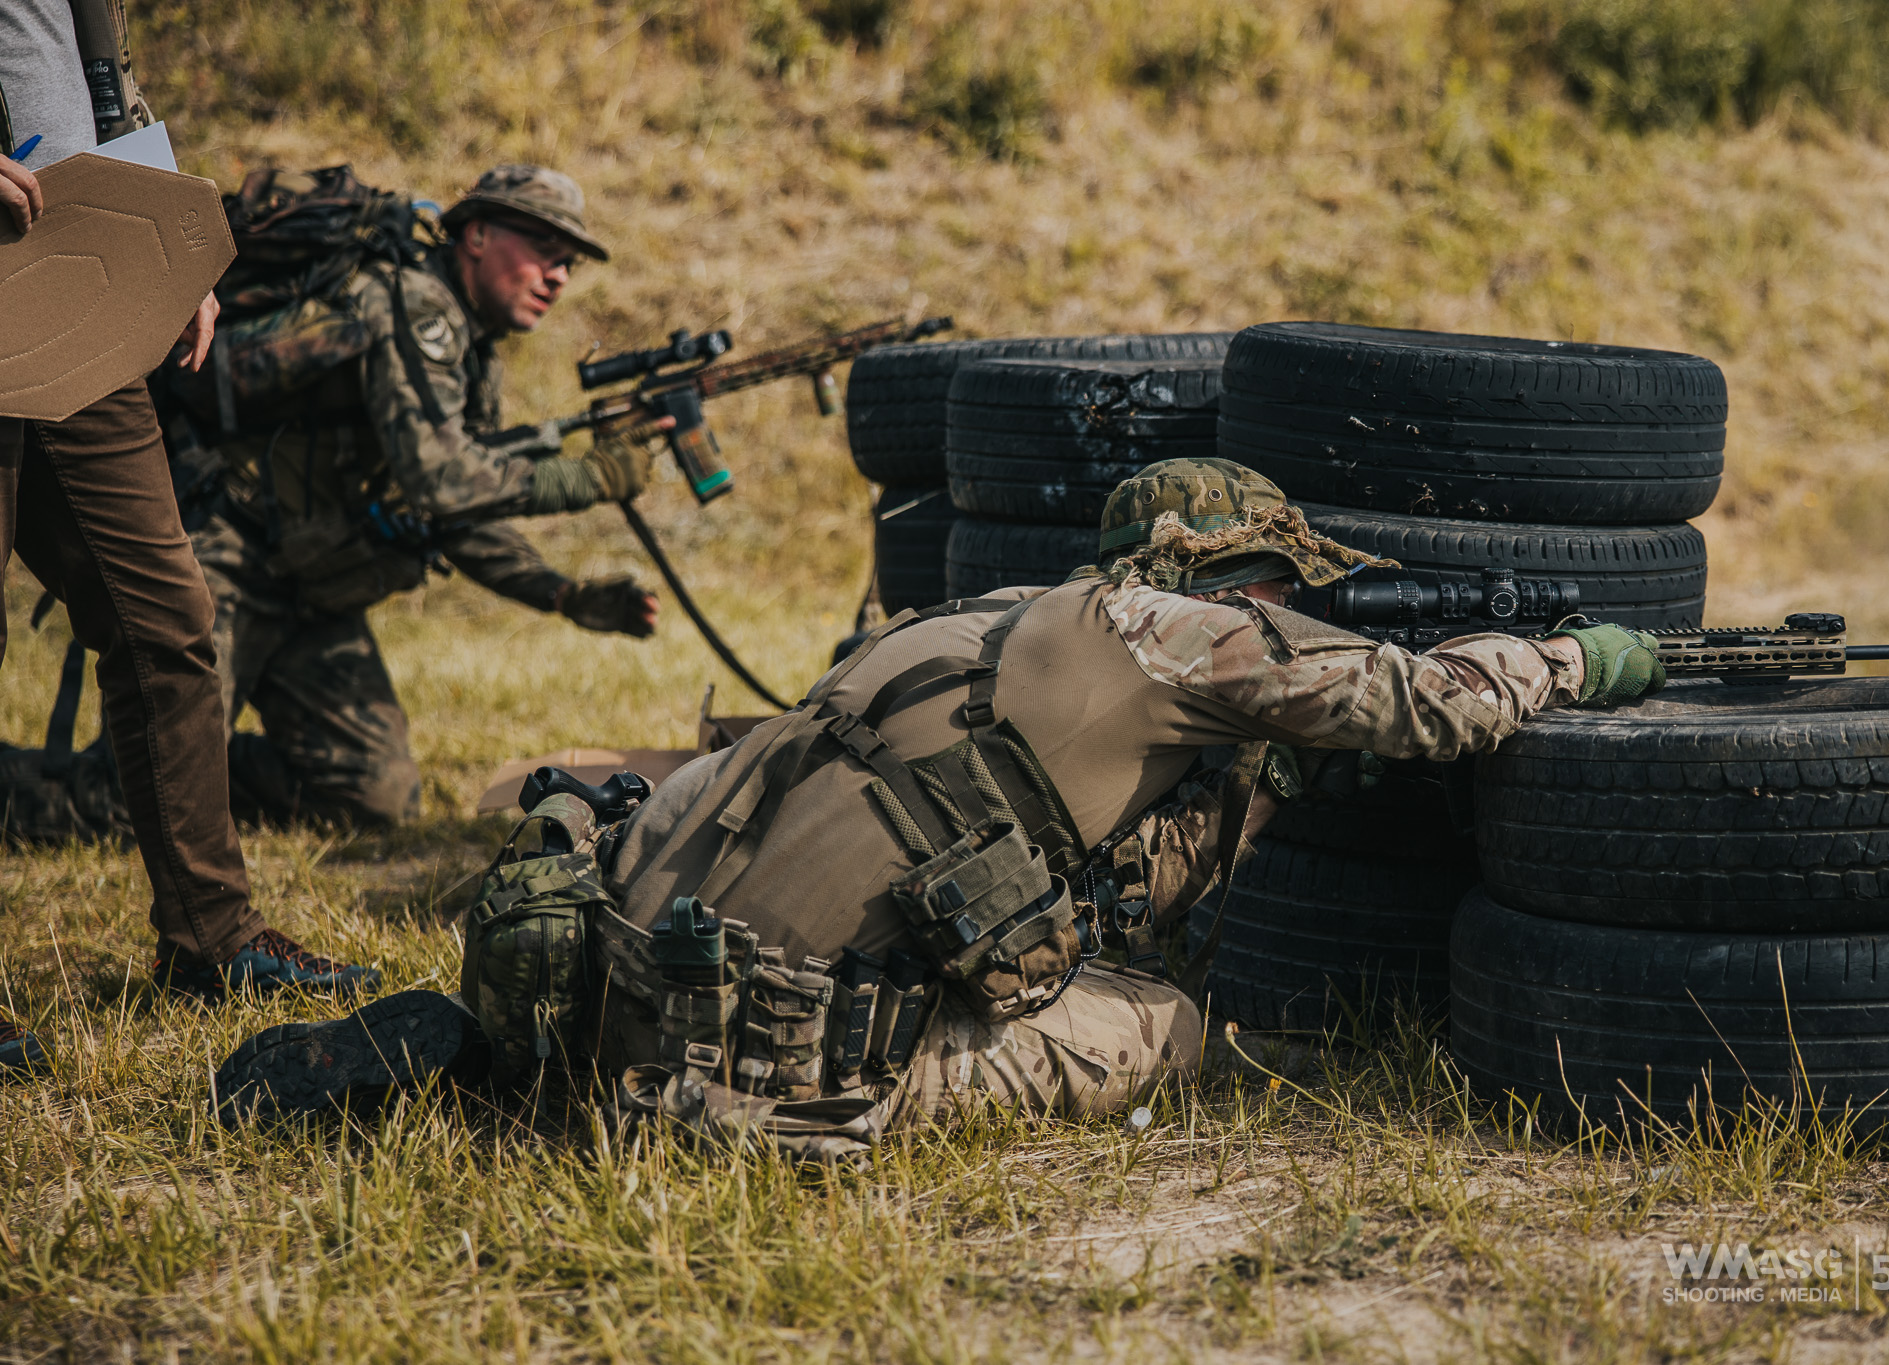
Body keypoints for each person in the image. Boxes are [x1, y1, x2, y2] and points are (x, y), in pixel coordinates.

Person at [220, 458, 1667, 1133]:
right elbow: (1428, 703)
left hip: (600, 974)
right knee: (1166, 1026)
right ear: (1235, 578)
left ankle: (512, 1071)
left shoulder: (971, 623)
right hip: (769, 1062)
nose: (1294, 615)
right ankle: (723, 1110)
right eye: (1285, 588)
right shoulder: (1192, 633)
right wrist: (1566, 657)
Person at [10, 164, 666, 835]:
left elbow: (445, 517)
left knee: (372, 797)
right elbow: (443, 479)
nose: (557, 275)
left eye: (568, 264)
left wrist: (561, 594)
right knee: (120, 807)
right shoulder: (414, 306)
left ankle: (198, 770)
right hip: (229, 556)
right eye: (543, 250)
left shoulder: (469, 352)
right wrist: (589, 478)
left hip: (308, 589)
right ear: (476, 233)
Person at [0, 0, 377, 1075]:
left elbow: (99, 80)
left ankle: (210, 937)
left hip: (77, 295)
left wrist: (169, 244)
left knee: (167, 620)